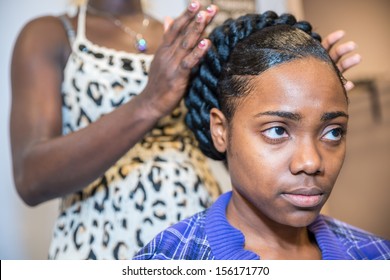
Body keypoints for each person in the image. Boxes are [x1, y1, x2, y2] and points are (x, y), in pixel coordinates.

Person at [10, 0, 360, 259]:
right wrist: (149, 102)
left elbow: (240, 143)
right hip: (99, 241)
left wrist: (310, 89)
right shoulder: (50, 34)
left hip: (206, 236)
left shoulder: (184, 35)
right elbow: (31, 178)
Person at [133, 11, 390, 260]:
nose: (312, 162)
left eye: (333, 132)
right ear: (220, 131)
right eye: (278, 131)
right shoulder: (169, 259)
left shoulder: (376, 256)